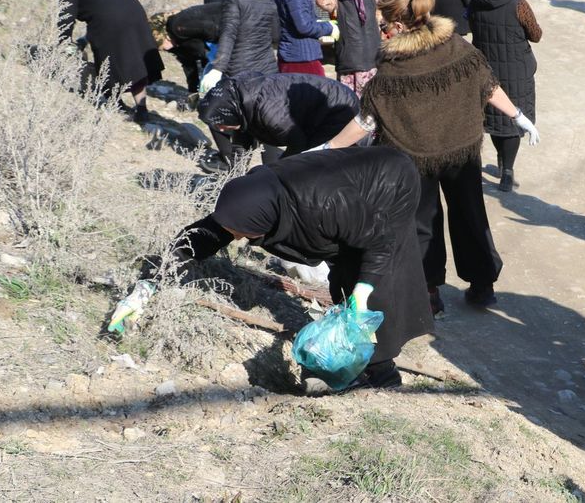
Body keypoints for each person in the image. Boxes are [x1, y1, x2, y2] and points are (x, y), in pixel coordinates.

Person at [111, 147, 434, 390]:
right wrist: (146, 288)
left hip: (389, 184)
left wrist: (363, 293)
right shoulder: (253, 201)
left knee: (373, 284)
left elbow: (378, 242)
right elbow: (198, 238)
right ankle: (352, 361)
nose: (235, 238)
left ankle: (383, 374)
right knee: (344, 281)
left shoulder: (321, 205)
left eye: (242, 233)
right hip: (348, 198)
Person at [320, 0, 540, 315]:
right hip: (461, 149)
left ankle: (429, 290)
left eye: (383, 25)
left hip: (414, 156)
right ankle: (482, 285)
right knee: (470, 214)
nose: (381, 31)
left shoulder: (393, 70)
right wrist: (518, 116)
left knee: (422, 223)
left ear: (399, 25)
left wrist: (329, 146)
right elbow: (489, 86)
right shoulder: (457, 47)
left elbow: (367, 121)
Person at [55, 0, 163, 123]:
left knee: (107, 63)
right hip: (134, 12)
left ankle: (115, 103)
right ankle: (141, 109)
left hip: (109, 21)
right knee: (135, 61)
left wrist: (63, 40)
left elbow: (66, 15)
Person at [468, 0, 542, 192]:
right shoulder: (518, 3)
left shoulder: (475, 1)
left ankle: (501, 161)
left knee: (496, 116)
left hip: (485, 70)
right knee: (513, 117)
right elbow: (536, 34)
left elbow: (470, 26)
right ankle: (507, 170)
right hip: (517, 70)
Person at [197, 71, 359, 166]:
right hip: (309, 111)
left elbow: (298, 146)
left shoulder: (269, 111)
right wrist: (234, 176)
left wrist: (273, 173)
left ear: (230, 114)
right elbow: (241, 145)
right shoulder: (241, 104)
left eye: (222, 125)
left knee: (315, 161)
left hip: (336, 107)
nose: (221, 130)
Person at [199, 0, 279, 95]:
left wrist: (217, 69)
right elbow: (275, 35)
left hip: (240, 71)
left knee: (242, 115)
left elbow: (229, 34)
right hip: (268, 69)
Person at [314, 0, 380, 96]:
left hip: (372, 62)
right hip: (349, 64)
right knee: (349, 108)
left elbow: (378, 23)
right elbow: (322, 1)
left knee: (370, 109)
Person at [149, 3, 221, 96]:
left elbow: (210, 29)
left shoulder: (178, 26)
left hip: (225, 29)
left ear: (163, 35)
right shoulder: (176, 45)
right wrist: (193, 92)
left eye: (161, 46)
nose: (164, 49)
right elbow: (189, 64)